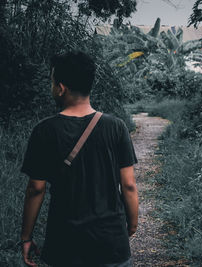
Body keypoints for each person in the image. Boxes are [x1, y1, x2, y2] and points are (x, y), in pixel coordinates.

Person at [20, 51, 139, 267]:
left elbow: (35, 189)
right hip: (111, 242)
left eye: (52, 81)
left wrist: (26, 237)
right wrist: (131, 223)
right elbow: (129, 185)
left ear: (61, 87)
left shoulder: (44, 131)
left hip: (64, 246)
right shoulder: (116, 127)